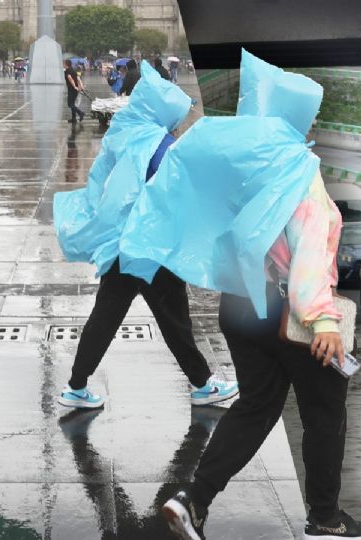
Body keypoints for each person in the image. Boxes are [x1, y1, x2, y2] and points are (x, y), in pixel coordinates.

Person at [155, 51, 361, 540]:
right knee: (324, 414)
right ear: (292, 118)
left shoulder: (240, 167)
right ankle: (326, 518)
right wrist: (324, 322)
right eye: (309, 113)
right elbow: (311, 246)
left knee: (255, 406)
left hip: (241, 303)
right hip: (291, 312)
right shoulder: (298, 172)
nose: (314, 121)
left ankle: (193, 499)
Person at [54, 61, 238, 410]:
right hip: (151, 248)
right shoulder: (158, 143)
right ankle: (202, 385)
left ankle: (76, 387)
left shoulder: (125, 132)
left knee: (107, 318)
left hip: (124, 246)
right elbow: (181, 186)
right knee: (174, 320)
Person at [63, 59, 85, 124]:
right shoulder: (73, 70)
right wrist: (81, 86)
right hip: (75, 90)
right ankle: (73, 118)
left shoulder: (67, 71)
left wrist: (74, 86)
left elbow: (70, 79)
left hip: (72, 90)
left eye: (64, 64)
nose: (63, 65)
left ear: (66, 64)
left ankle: (80, 113)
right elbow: (78, 78)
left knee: (70, 104)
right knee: (72, 104)